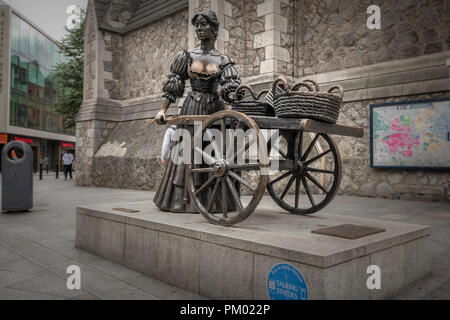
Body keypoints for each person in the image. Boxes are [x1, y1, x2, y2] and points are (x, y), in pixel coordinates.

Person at [153, 10, 241, 213]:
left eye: (204, 24)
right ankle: (182, 200)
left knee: (213, 153)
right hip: (191, 107)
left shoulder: (223, 59)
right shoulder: (186, 56)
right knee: (186, 152)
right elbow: (173, 85)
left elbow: (230, 89)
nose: (199, 29)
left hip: (214, 111)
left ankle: (213, 200)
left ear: (215, 28)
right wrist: (162, 111)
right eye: (197, 25)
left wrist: (232, 95)